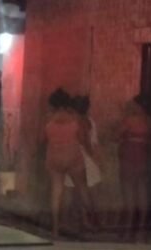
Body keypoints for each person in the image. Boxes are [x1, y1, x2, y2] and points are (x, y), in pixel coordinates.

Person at [42, 88, 93, 237]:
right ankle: (90, 220)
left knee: (56, 192)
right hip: (73, 156)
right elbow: (83, 139)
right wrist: (91, 154)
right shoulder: (75, 118)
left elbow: (41, 139)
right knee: (82, 189)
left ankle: (55, 229)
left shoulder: (48, 119)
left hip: (54, 156)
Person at [64, 95, 101, 230]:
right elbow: (92, 143)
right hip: (83, 156)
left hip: (76, 155)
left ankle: (84, 219)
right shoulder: (88, 121)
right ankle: (89, 220)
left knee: (74, 190)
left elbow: (84, 140)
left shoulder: (76, 121)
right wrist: (95, 158)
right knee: (86, 190)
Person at [120, 94, 151, 242]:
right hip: (143, 158)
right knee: (142, 194)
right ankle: (141, 231)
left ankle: (128, 232)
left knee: (129, 196)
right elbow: (150, 139)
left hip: (129, 157)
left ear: (138, 105)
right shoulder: (149, 121)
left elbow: (116, 135)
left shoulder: (129, 119)